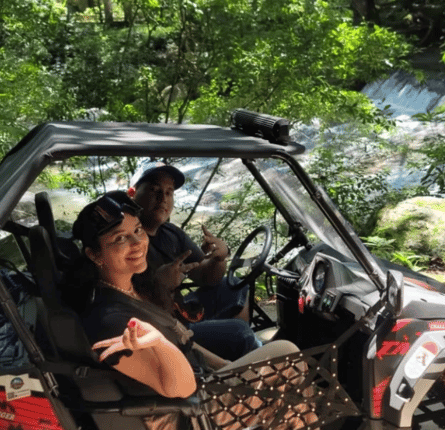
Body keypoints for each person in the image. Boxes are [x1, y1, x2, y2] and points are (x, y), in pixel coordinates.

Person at [72, 192, 317, 430]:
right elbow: (180, 389)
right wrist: (160, 344)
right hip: (190, 412)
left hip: (202, 385)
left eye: (137, 230)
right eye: (120, 239)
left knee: (286, 370)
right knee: (287, 358)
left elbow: (183, 338)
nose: (137, 243)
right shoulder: (110, 321)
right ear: (95, 255)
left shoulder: (135, 289)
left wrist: (225, 365)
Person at [125, 162, 259, 360]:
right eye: (154, 190)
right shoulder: (123, 238)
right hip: (163, 328)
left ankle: (229, 355)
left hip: (181, 310)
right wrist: (160, 285)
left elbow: (207, 277)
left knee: (236, 285)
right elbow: (123, 301)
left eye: (169, 192)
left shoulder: (171, 233)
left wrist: (219, 257)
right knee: (240, 332)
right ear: (131, 193)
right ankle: (238, 360)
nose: (163, 199)